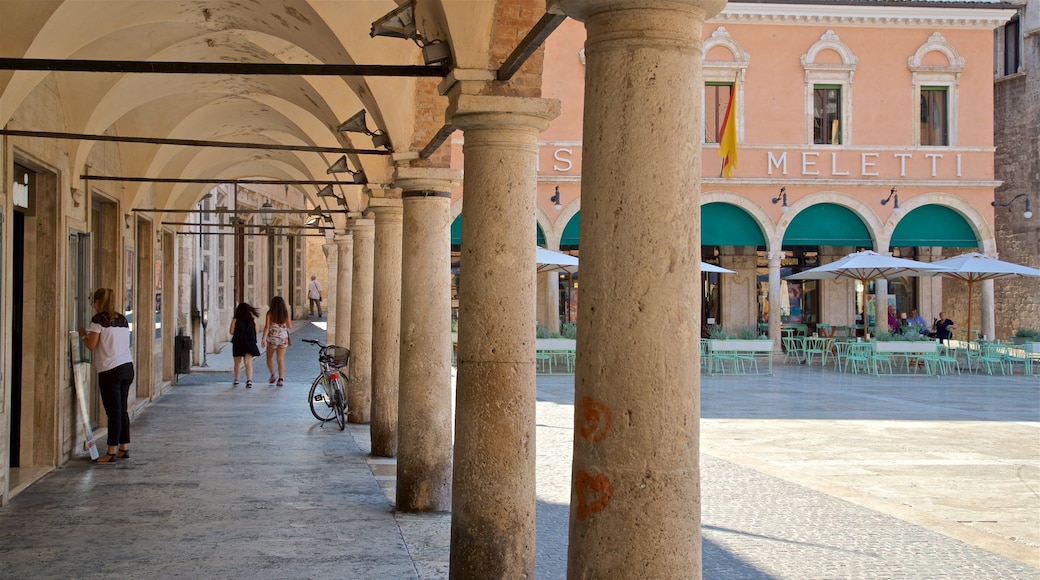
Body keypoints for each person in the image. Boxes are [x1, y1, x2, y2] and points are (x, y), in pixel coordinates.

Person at [77, 288, 134, 464]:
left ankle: (110, 452)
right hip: (127, 367)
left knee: (113, 412)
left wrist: (83, 335)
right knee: (122, 410)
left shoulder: (99, 320)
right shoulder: (122, 319)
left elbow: (92, 345)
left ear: (98, 302)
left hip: (110, 370)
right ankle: (123, 448)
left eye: (93, 302)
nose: (93, 305)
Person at [261, 295, 292, 386]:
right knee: (280, 359)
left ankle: (272, 375)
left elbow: (267, 327)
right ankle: (281, 379)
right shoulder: (285, 313)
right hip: (283, 339)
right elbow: (290, 326)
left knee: (269, 357)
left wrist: (263, 339)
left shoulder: (270, 313)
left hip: (272, 338)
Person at [229, 302, 261, 388]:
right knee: (248, 363)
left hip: (238, 342)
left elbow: (231, 331)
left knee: (237, 363)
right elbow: (257, 331)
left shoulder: (235, 319)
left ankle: (236, 380)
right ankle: (249, 381)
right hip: (249, 342)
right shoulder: (253, 319)